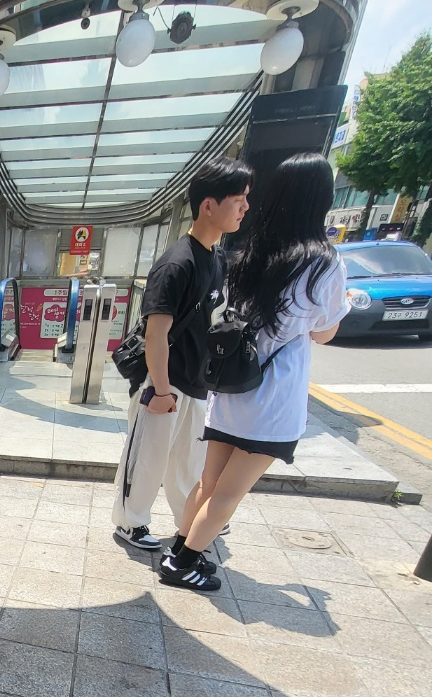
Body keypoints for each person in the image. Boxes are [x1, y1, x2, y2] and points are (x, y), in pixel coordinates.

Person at [161, 153, 348, 592]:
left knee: (208, 483)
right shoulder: (323, 263)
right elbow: (324, 333)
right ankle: (182, 563)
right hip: (272, 399)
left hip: (230, 391)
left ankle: (179, 549)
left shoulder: (248, 256)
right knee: (228, 492)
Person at [112, 157, 253, 551]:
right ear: (209, 205)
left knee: (190, 462)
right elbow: (156, 333)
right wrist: (159, 390)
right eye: (238, 200)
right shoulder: (177, 263)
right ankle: (130, 522)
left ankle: (189, 519)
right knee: (147, 458)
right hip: (164, 380)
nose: (245, 208)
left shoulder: (217, 259)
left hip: (197, 380)